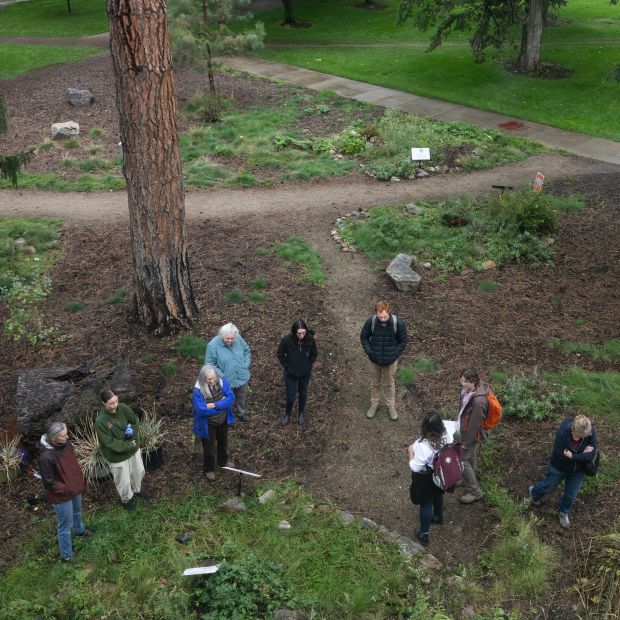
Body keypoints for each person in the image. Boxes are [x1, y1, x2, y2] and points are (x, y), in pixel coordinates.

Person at [527, 415, 598, 529]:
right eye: (581, 436)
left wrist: (573, 456)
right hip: (559, 467)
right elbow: (561, 457)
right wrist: (583, 454)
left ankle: (563, 512)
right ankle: (534, 493)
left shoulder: (590, 431)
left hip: (578, 471)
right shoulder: (562, 433)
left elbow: (592, 454)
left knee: (571, 496)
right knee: (548, 487)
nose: (585, 437)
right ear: (573, 430)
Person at [39, 421, 91, 561]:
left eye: (66, 433)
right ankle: (66, 555)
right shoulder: (46, 457)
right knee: (65, 525)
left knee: (77, 510)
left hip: (73, 486)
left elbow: (71, 462)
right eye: (63, 435)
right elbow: (49, 482)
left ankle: (79, 530)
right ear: (53, 438)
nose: (67, 437)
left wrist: (76, 479)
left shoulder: (65, 444)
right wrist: (65, 488)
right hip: (61, 495)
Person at [408, 412, 458, 546]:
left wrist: (410, 451)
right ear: (440, 425)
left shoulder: (423, 446)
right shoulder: (447, 434)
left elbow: (415, 467)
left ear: (425, 427)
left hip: (428, 477)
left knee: (426, 503)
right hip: (442, 474)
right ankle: (438, 516)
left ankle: (423, 534)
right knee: (438, 494)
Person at [95, 389, 150, 510]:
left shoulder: (124, 408)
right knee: (123, 480)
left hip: (133, 449)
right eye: (111, 403)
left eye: (116, 401)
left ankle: (137, 490)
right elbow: (109, 442)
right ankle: (126, 499)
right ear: (104, 403)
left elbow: (134, 422)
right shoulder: (101, 421)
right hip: (117, 455)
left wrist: (132, 434)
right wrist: (128, 445)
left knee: (138, 471)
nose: (114, 405)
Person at [360, 299, 408, 420]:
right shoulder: (371, 322)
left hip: (390, 361)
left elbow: (403, 341)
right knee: (375, 384)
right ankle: (374, 404)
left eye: (384, 316)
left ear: (389, 312)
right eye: (380, 316)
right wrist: (370, 352)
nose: (382, 319)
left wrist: (394, 354)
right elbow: (364, 337)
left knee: (389, 384)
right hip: (374, 360)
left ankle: (390, 406)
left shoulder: (398, 323)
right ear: (376, 313)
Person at [192, 364, 236, 481]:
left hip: (222, 420)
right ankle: (209, 469)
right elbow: (202, 411)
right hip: (208, 424)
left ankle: (223, 461)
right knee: (209, 448)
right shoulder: (198, 391)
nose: (212, 381)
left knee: (223, 442)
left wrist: (215, 405)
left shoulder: (221, 382)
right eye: (209, 379)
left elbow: (231, 398)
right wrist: (222, 403)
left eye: (213, 378)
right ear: (203, 379)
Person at [205, 323, 251, 422]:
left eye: (232, 338)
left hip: (242, 375)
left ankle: (241, 413)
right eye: (227, 339)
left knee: (241, 396)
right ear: (221, 335)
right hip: (226, 379)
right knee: (226, 399)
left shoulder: (238, 338)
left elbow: (246, 351)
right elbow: (209, 364)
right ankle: (228, 417)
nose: (230, 341)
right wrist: (222, 375)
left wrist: (245, 364)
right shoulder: (212, 345)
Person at [277, 319, 318, 426]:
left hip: (305, 374)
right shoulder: (287, 340)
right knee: (291, 396)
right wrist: (287, 366)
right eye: (299, 333)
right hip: (291, 374)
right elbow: (280, 354)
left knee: (303, 394)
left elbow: (314, 353)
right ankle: (287, 413)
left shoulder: (310, 339)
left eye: (303, 333)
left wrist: (309, 365)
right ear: (294, 332)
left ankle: (301, 412)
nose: (302, 335)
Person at [457, 368, 489, 504]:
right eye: (462, 380)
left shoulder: (478, 402)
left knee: (463, 460)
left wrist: (466, 442)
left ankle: (475, 492)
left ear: (474, 382)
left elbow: (475, 425)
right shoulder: (468, 391)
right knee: (470, 456)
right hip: (465, 431)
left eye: (465, 381)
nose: (462, 383)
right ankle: (468, 478)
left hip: (471, 435)